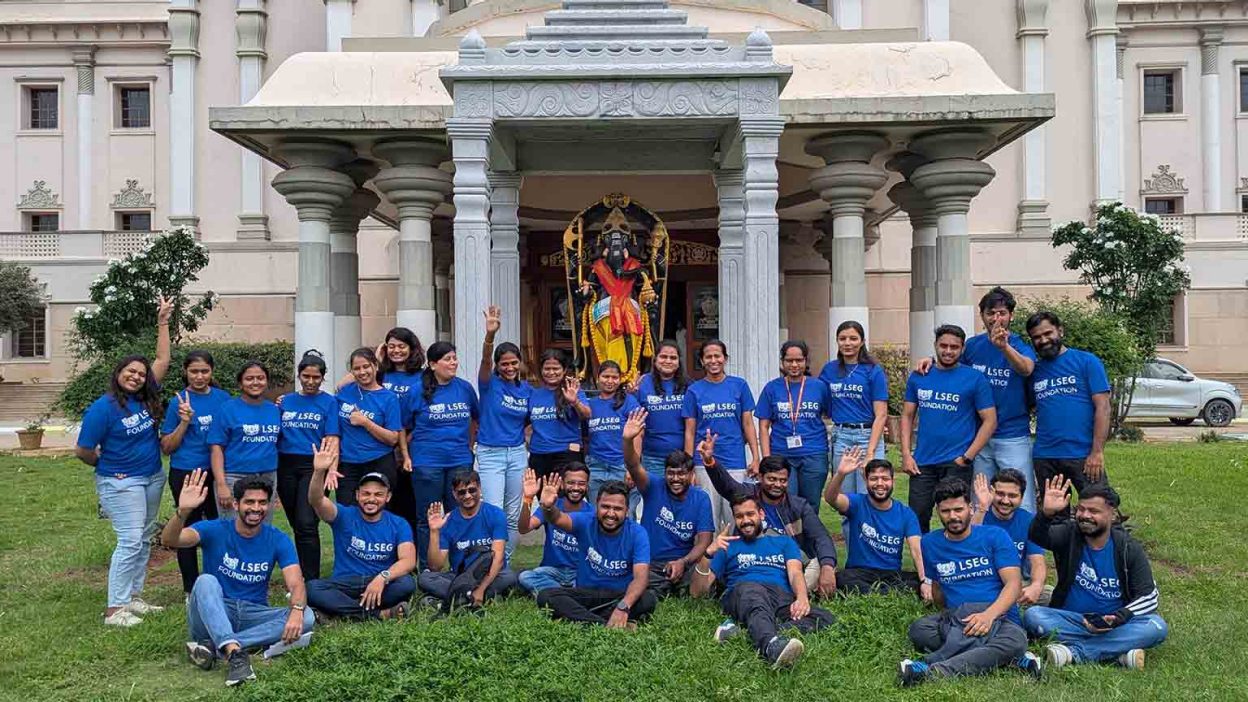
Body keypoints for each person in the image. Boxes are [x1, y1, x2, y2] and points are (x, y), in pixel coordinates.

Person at [161, 470, 314, 687]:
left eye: (262, 502)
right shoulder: (214, 529)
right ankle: (235, 654)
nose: (256, 508)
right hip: (214, 609)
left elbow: (296, 582)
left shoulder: (277, 538)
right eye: (249, 502)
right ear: (235, 504)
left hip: (252, 611)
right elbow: (170, 539)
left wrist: (297, 611)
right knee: (205, 581)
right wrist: (183, 512)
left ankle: (215, 646)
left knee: (307, 616)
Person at [75, 296, 173, 626]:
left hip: (151, 477)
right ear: (118, 373)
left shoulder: (144, 398)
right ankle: (115, 609)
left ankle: (133, 597)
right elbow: (84, 450)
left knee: (144, 537)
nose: (136, 377)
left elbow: (162, 358)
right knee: (130, 539)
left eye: (141, 374)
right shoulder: (102, 408)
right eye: (130, 371)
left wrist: (162, 321)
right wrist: (106, 466)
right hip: (121, 481)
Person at [898, 478, 1039, 686]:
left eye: (958, 509)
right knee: (919, 629)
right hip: (957, 618)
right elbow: (937, 588)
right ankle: (1004, 659)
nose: (953, 516)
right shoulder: (929, 543)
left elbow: (1014, 584)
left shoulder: (995, 536)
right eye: (946, 511)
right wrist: (948, 615)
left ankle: (932, 669)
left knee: (1015, 641)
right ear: (938, 511)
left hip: (999, 618)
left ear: (970, 509)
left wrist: (987, 617)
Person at [1024, 477, 1167, 671]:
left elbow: (1149, 596)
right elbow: (1039, 537)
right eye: (1081, 509)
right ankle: (1117, 652)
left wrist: (1119, 617)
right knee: (1034, 616)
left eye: (1094, 511)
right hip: (1073, 620)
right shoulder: (1070, 533)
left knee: (1156, 626)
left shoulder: (1127, 548)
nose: (1085, 515)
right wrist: (1046, 513)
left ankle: (1074, 652)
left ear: (1112, 514)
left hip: (1115, 624)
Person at [916, 288, 1038, 510]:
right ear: (982, 315)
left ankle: (1024, 544)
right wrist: (930, 361)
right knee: (980, 500)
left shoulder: (1019, 345)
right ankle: (982, 542)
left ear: (1011, 315)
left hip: (1012, 436)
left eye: (1002, 313)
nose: (996, 318)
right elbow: (950, 360)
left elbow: (1026, 369)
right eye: (990, 313)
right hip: (977, 438)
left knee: (1021, 499)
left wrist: (1004, 348)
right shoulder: (973, 346)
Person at [691, 495, 835, 669]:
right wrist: (708, 554)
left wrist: (802, 597)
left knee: (824, 618)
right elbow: (697, 592)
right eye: (739, 516)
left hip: (779, 596)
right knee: (754, 593)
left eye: (750, 514)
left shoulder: (783, 542)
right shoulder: (727, 546)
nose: (745, 520)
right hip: (744, 593)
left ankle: (745, 632)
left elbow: (795, 573)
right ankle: (771, 646)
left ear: (761, 514)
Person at [698, 432, 839, 598]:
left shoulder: (799, 506)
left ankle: (789, 594)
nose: (777, 485)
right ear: (760, 477)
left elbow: (820, 537)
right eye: (772, 479)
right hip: (751, 563)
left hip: (789, 565)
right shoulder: (748, 495)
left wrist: (828, 568)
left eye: (783, 480)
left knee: (819, 564)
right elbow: (727, 485)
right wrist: (710, 462)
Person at [901, 325, 997, 532]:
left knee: (957, 519)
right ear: (935, 346)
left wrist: (967, 457)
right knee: (917, 517)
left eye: (954, 347)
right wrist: (907, 454)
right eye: (943, 345)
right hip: (922, 462)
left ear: (962, 349)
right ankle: (924, 563)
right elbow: (907, 415)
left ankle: (956, 559)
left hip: (956, 462)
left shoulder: (974, 378)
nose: (948, 350)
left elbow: (990, 420)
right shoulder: (920, 376)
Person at [305, 444, 416, 620]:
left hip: (380, 581)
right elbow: (316, 500)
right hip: (346, 582)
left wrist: (382, 578)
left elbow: (408, 561)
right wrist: (319, 472)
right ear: (357, 495)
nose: (371, 499)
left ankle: (340, 610)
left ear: (387, 497)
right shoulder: (343, 515)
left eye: (378, 494)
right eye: (366, 493)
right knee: (311, 588)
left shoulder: (398, 523)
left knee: (406, 584)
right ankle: (378, 614)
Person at [535, 477, 657, 627]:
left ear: (626, 511)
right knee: (546, 596)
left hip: (618, 596)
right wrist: (548, 507)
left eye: (617, 509)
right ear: (596, 506)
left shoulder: (638, 533)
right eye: (605, 506)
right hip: (586, 593)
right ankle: (604, 624)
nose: (610, 514)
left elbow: (641, 578)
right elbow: (558, 518)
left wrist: (623, 607)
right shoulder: (585, 521)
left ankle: (582, 619)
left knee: (648, 599)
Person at [400, 341, 479, 569]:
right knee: (428, 518)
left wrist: (469, 446)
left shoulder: (464, 388)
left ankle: (460, 568)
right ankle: (428, 570)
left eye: (454, 358)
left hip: (460, 461)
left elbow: (476, 418)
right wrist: (406, 456)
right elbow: (403, 427)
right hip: (427, 464)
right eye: (447, 359)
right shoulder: (416, 391)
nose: (453, 363)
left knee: (460, 513)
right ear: (433, 364)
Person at [161, 349, 232, 596]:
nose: (199, 377)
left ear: (212, 372)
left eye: (204, 371)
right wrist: (184, 422)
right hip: (187, 472)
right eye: (194, 371)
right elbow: (167, 447)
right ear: (185, 372)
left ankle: (219, 581)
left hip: (217, 472)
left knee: (219, 527)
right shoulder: (178, 401)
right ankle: (191, 589)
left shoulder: (223, 399)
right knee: (187, 527)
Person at [622, 409, 713, 596]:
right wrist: (628, 440)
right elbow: (633, 465)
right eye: (671, 473)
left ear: (691, 475)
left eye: (681, 473)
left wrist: (683, 562)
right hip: (651, 563)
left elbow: (704, 540)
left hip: (685, 562)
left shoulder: (700, 498)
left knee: (708, 585)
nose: (675, 478)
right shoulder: (653, 486)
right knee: (642, 589)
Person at [1026, 311, 1112, 510]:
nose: (1044, 340)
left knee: (1099, 510)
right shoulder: (1035, 371)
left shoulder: (1086, 361)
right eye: (1037, 337)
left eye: (1048, 333)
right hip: (1045, 456)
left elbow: (1104, 407)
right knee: (1055, 518)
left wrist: (1097, 452)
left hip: (1083, 455)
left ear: (1060, 331)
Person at [823, 447, 929, 599]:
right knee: (842, 578)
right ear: (866, 481)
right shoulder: (857, 503)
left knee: (916, 582)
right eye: (874, 478)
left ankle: (876, 596)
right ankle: (887, 597)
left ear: (893, 481)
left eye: (885, 479)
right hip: (859, 572)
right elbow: (830, 498)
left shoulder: (905, 513)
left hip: (891, 575)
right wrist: (841, 473)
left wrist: (925, 580)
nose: (880, 483)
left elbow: (916, 549)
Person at [275, 350, 340, 580]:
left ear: (323, 378)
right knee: (297, 522)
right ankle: (301, 570)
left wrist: (331, 468)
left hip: (315, 466)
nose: (310, 381)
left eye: (316, 377)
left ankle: (311, 580)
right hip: (285, 464)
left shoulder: (329, 402)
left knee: (306, 522)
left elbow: (332, 437)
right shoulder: (285, 401)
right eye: (306, 376)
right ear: (299, 376)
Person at [682, 340, 760, 526]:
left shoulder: (739, 386)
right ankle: (710, 556)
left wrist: (756, 457)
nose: (713, 360)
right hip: (704, 464)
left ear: (725, 359)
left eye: (717, 356)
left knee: (737, 516)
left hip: (735, 461)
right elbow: (690, 432)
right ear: (702, 361)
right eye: (708, 357)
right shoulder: (694, 390)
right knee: (709, 519)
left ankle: (736, 555)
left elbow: (748, 424)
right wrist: (688, 467)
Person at [476, 305, 532, 560]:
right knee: (493, 510)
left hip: (518, 454)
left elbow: (532, 419)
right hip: (491, 454)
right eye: (505, 364)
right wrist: (490, 336)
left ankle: (504, 563)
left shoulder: (526, 389)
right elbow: (485, 361)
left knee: (512, 512)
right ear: (498, 366)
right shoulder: (489, 384)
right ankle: (488, 562)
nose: (510, 367)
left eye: (514, 362)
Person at [419, 470, 517, 612]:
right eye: (461, 492)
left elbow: (498, 559)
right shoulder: (448, 519)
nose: (467, 496)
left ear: (480, 488)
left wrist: (481, 589)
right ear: (454, 494)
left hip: (489, 574)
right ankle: (481, 599)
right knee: (425, 578)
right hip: (460, 576)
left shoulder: (495, 514)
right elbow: (435, 566)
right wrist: (434, 531)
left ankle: (454, 601)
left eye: (472, 490)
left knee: (509, 577)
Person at [756, 340, 833, 512]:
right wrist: (767, 458)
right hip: (781, 454)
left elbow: (833, 413)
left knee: (811, 504)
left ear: (806, 361)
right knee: (784, 502)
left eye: (799, 360)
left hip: (814, 453)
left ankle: (809, 538)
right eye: (789, 360)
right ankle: (789, 538)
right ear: (782, 362)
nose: (794, 365)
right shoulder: (772, 388)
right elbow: (763, 426)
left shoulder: (819, 387)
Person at [818, 320, 889, 496]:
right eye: (842, 338)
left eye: (853, 338)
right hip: (841, 437)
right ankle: (848, 526)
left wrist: (871, 451)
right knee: (845, 496)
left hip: (868, 436)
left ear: (862, 341)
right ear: (837, 341)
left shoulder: (873, 370)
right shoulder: (829, 370)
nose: (847, 343)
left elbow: (881, 415)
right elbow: (821, 402)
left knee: (871, 493)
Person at [207, 362, 282, 521]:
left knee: (262, 527)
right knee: (232, 529)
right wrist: (221, 485)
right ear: (240, 383)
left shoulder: (274, 410)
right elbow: (216, 449)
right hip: (235, 477)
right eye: (249, 378)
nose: (255, 382)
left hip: (267, 477)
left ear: (267, 381)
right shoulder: (227, 409)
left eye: (260, 378)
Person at [334, 348, 403, 508]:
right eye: (357, 368)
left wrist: (366, 423)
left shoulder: (388, 398)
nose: (362, 372)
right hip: (347, 464)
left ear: (375, 367)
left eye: (366, 366)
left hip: (378, 462)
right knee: (346, 513)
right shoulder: (345, 392)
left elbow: (393, 439)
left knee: (377, 513)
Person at [971, 471, 1046, 606]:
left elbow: (1037, 561)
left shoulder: (1029, 520)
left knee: (1049, 595)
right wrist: (982, 508)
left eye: (1012, 496)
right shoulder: (980, 516)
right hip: (981, 582)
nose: (1005, 501)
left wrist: (1036, 586)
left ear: (1022, 498)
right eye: (1000, 494)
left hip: (1015, 583)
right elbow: (967, 545)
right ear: (991, 493)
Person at [517, 464, 590, 594]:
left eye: (581, 483)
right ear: (562, 484)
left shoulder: (592, 513)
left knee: (592, 583)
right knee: (525, 576)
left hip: (579, 572)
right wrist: (528, 498)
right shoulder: (550, 505)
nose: (576, 488)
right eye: (571, 483)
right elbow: (524, 528)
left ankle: (555, 594)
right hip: (552, 570)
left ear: (587, 486)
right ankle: (567, 594)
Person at [527, 349, 591, 479]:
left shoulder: (572, 390)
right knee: (543, 498)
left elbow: (586, 415)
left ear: (564, 369)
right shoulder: (533, 393)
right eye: (547, 368)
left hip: (567, 454)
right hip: (539, 455)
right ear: (541, 369)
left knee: (564, 497)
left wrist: (575, 402)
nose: (551, 372)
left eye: (556, 368)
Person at [585, 360, 641, 505]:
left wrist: (632, 468)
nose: (610, 381)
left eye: (614, 377)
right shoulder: (590, 404)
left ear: (620, 379)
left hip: (622, 466)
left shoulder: (629, 401)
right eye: (605, 376)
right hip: (595, 466)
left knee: (625, 514)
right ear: (598, 378)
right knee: (597, 512)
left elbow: (638, 436)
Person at [633, 339, 689, 479]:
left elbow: (692, 427)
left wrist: (689, 461)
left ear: (678, 362)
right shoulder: (642, 384)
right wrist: (635, 463)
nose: (668, 361)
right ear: (655, 360)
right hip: (652, 458)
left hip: (681, 458)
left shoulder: (689, 386)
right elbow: (636, 427)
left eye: (673, 358)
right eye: (663, 357)